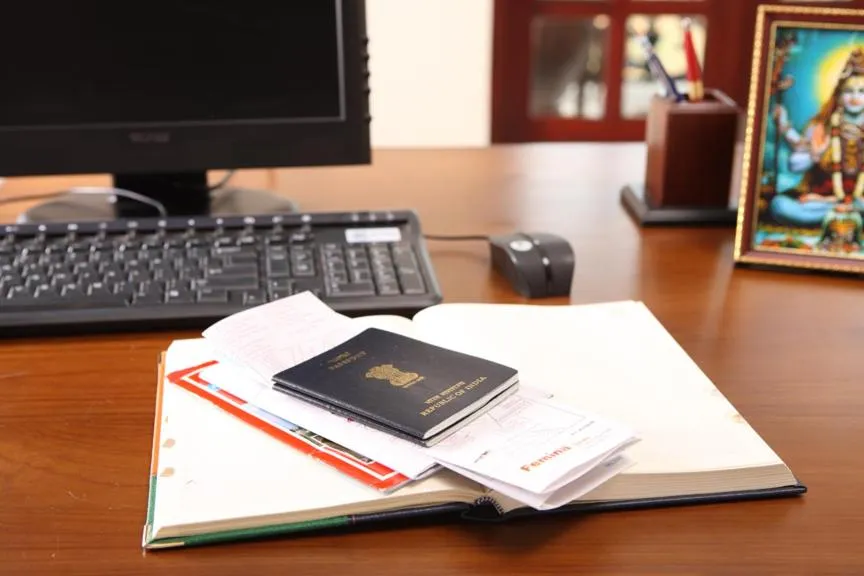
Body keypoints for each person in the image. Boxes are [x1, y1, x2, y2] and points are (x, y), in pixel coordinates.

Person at [770, 47, 864, 227]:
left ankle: (847, 212)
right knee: (780, 206)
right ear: (839, 95)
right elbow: (796, 160)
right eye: (848, 91)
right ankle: (844, 214)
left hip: (858, 202)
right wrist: (814, 154)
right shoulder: (823, 126)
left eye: (862, 91)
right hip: (822, 202)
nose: (855, 97)